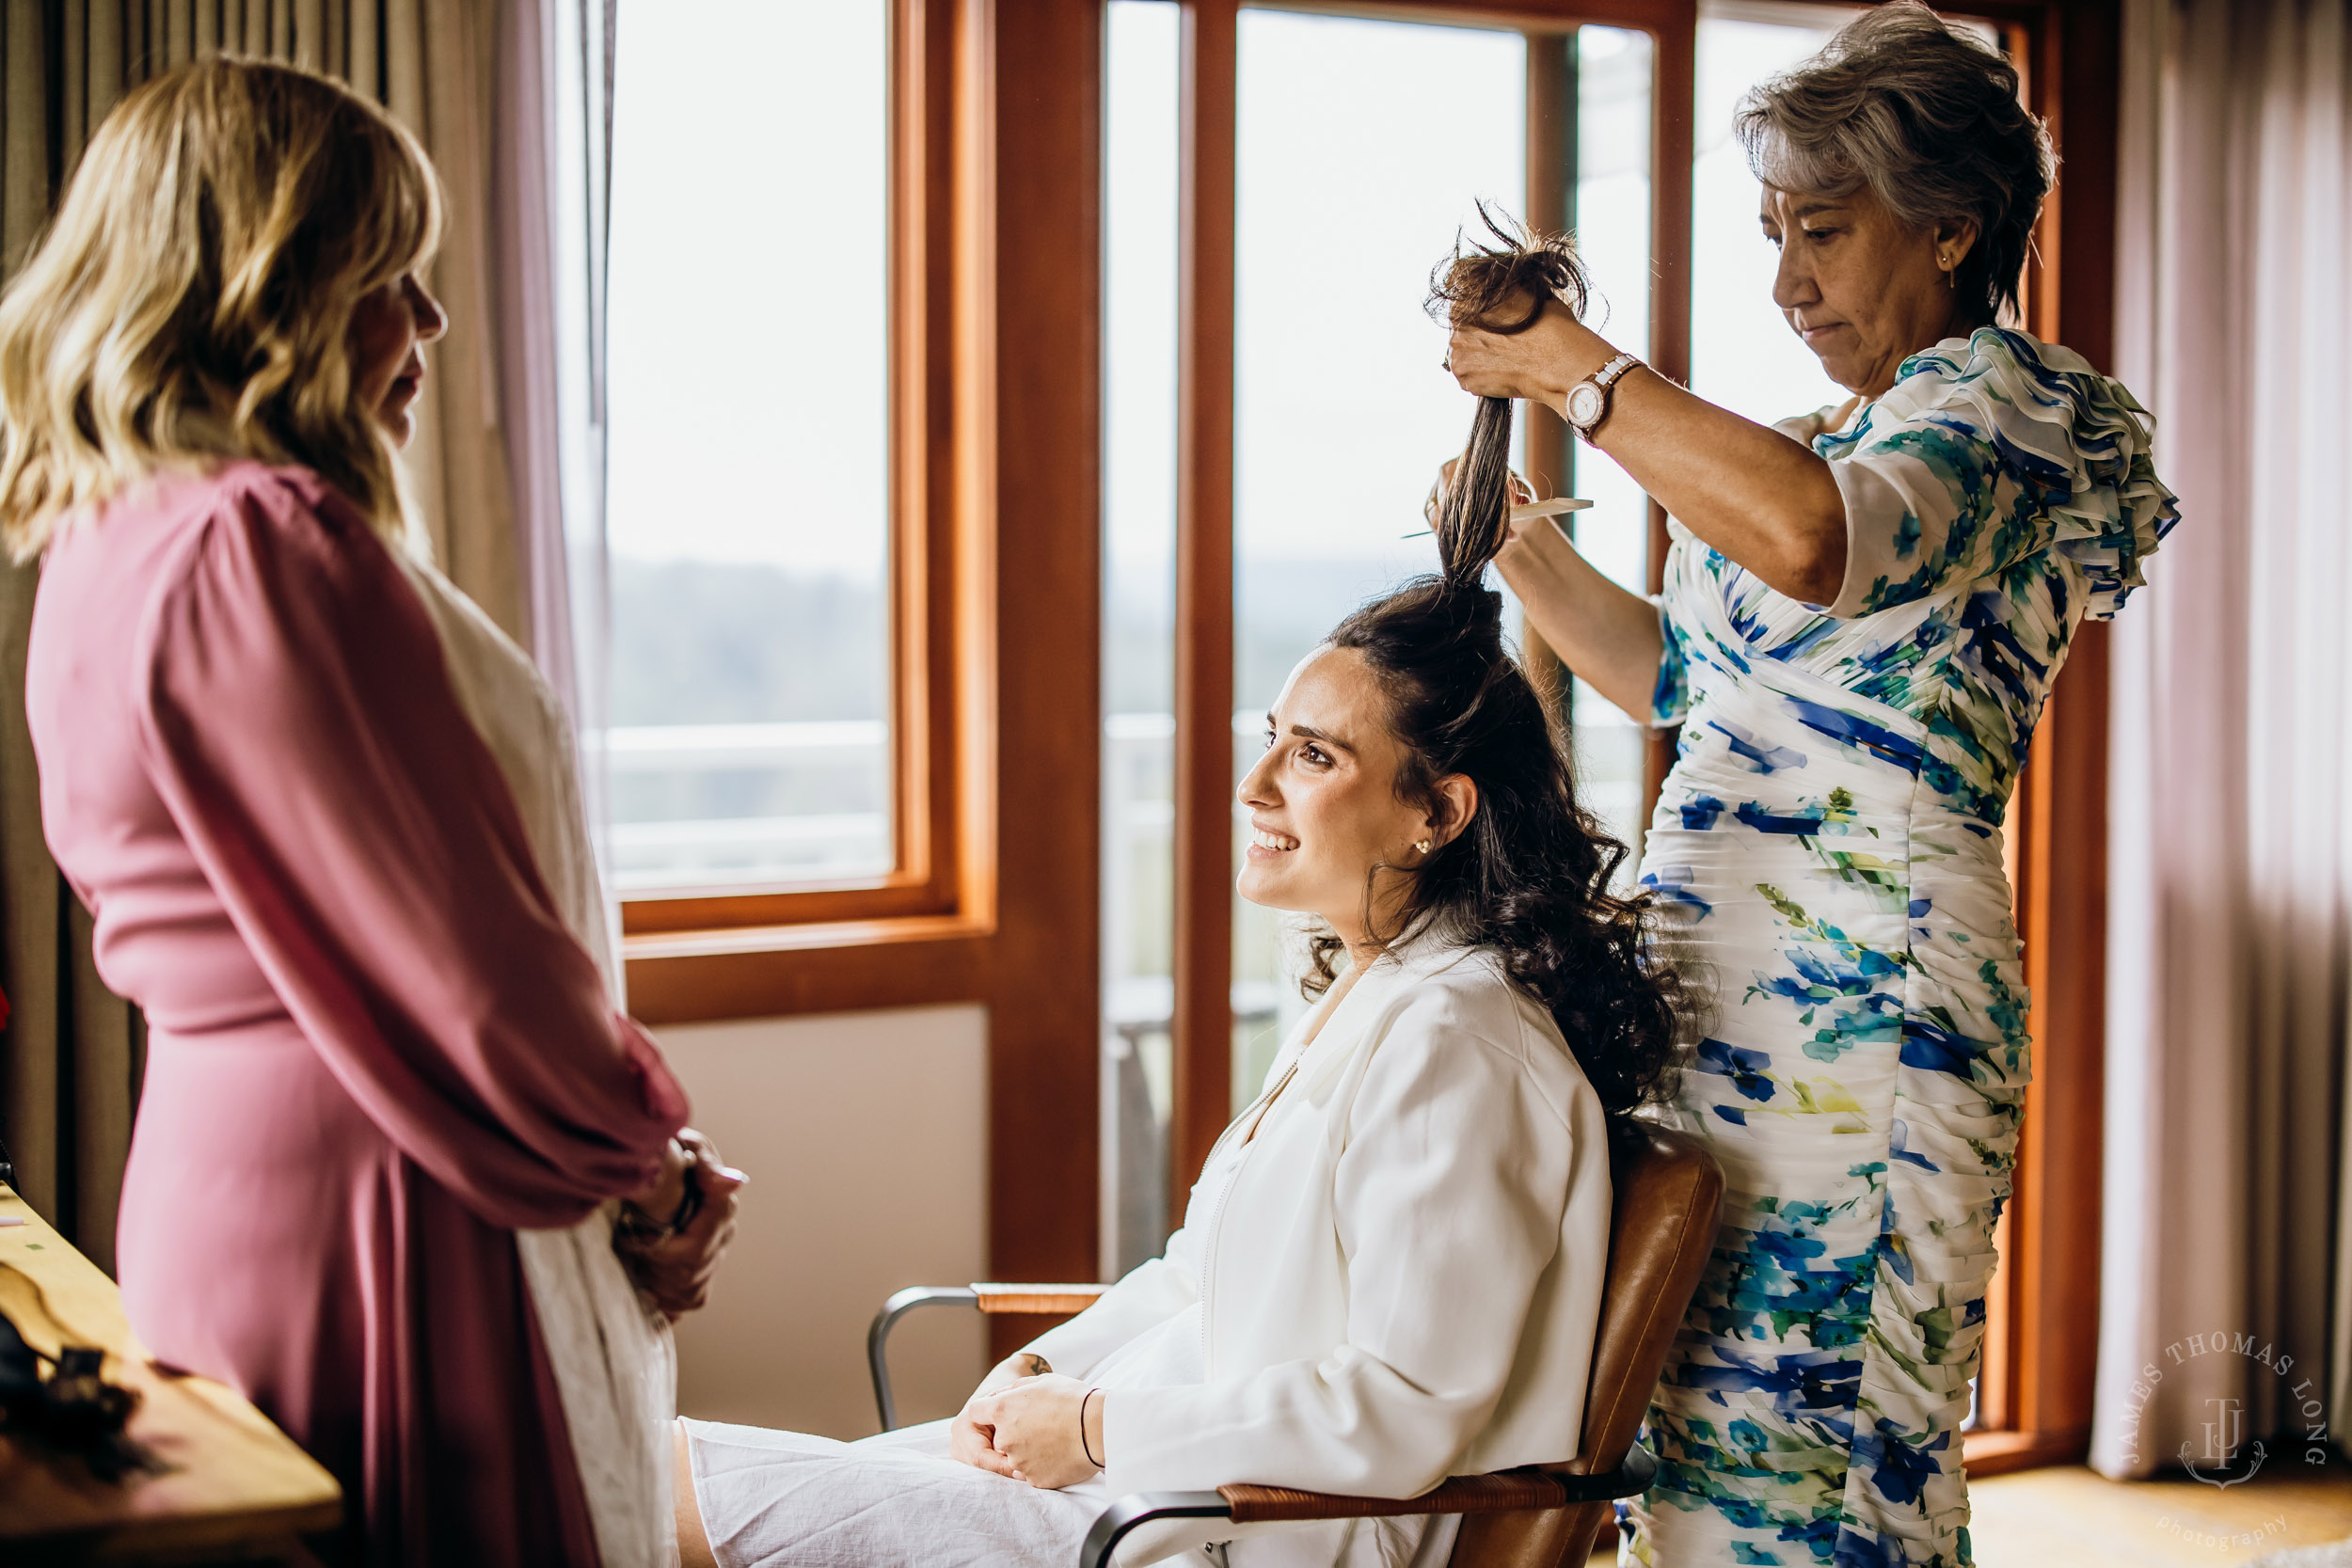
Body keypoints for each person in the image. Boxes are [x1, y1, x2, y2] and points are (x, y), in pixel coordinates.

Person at [670, 260, 1682, 1567]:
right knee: (649, 1474)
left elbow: (1402, 1408)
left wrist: (1095, 1430)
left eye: (1314, 757)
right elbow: (1196, 1280)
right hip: (1138, 1483)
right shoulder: (1371, 999)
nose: (1256, 784)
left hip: (1225, 1533)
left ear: (1439, 814)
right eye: (1273, 738)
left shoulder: (1461, 1049)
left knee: (643, 1489)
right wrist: (1043, 1371)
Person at [1439, 7, 2179, 1565]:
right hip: (1711, 1004)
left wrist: (1579, 370)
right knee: (1697, 1449)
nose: (1787, 283)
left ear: (1951, 226)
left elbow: (1820, 544)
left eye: (1823, 234)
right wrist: (1524, 547)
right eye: (1775, 234)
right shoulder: (1814, 442)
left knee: (1832, 1465)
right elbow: (1686, 690)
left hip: (1869, 1015)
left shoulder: (2014, 415)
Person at [0, 59, 740, 1565]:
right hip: (390, 1180)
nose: (436, 327)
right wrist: (650, 1169)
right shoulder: (264, 541)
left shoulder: (105, 536)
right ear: (277, 287)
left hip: (231, 1171)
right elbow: (467, 961)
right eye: (397, 278)